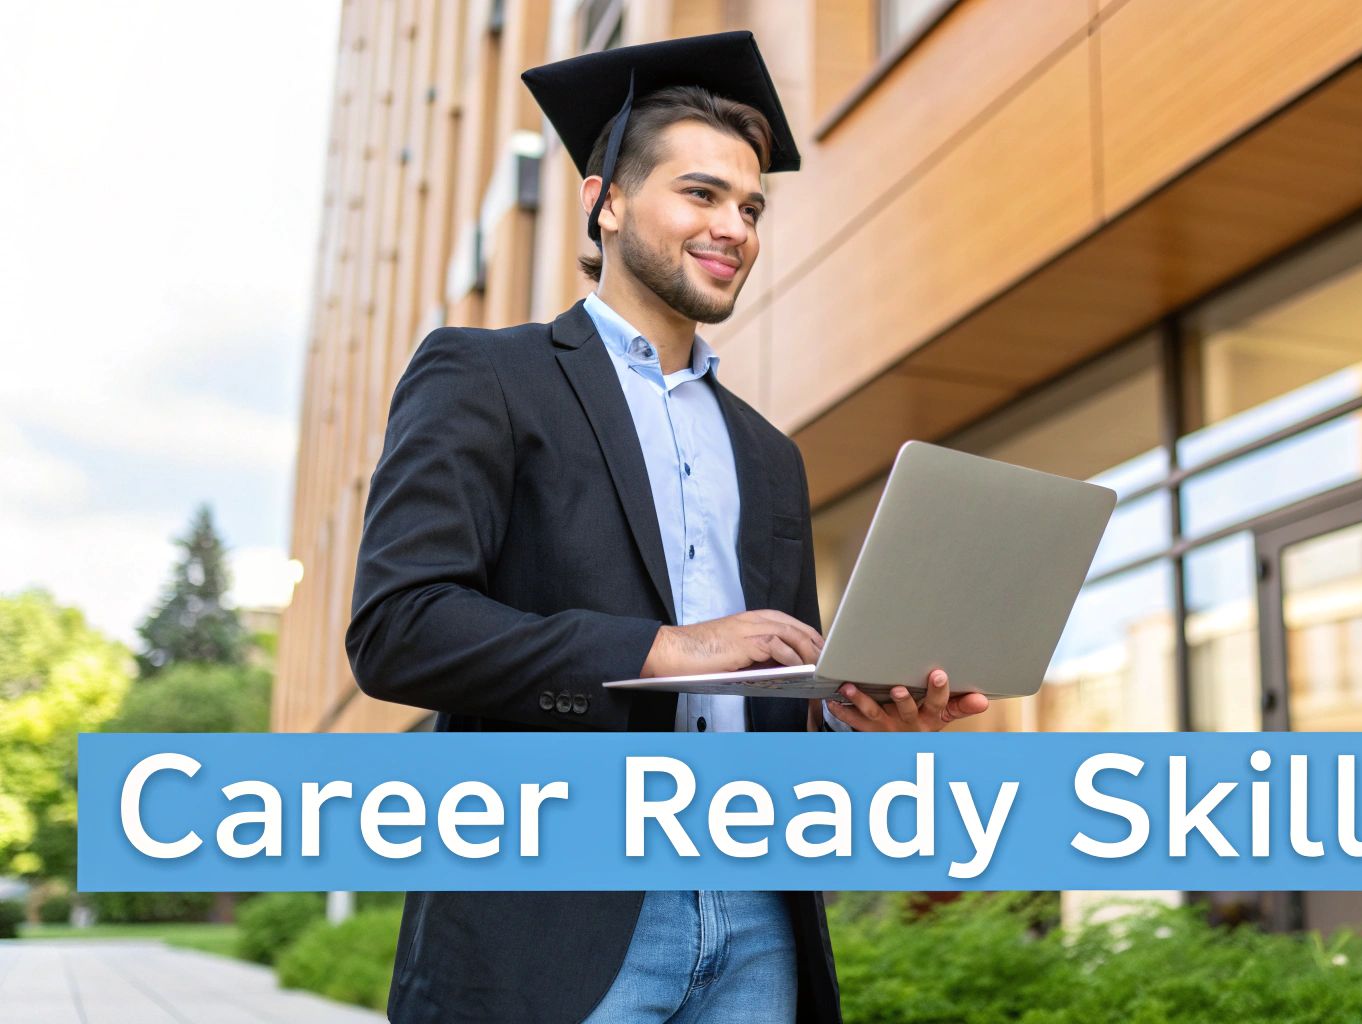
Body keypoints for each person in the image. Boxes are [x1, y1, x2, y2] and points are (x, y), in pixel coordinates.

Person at [345, 29, 992, 1024]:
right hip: (556, 913)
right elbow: (399, 626)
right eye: (699, 194)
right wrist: (662, 647)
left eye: (749, 206)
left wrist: (869, 728)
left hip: (755, 922)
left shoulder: (768, 455)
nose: (734, 225)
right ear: (604, 201)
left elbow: (773, 704)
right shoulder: (486, 375)